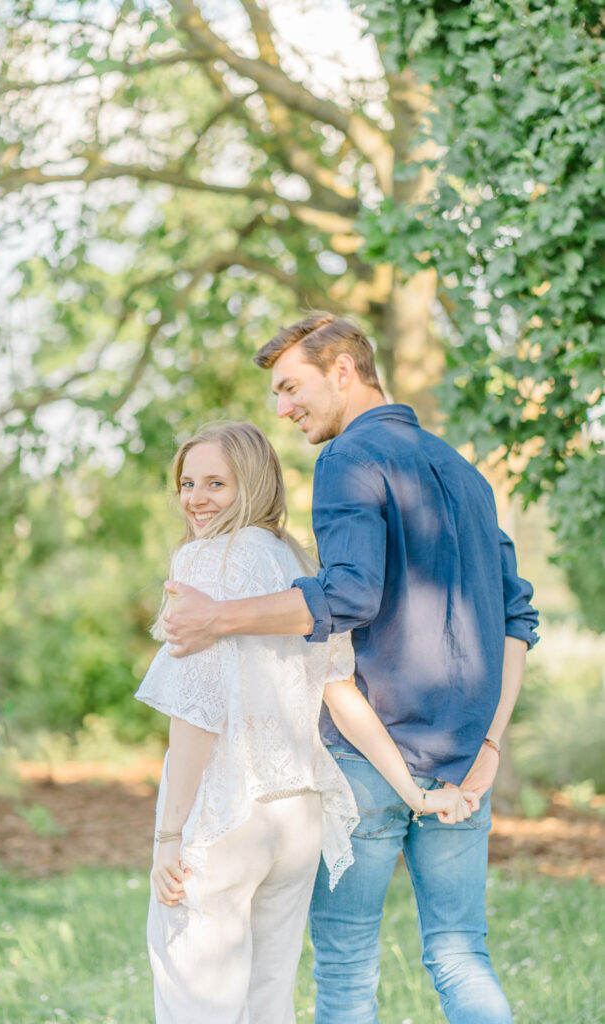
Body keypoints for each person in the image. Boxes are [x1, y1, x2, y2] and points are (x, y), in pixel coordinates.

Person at [163, 315, 540, 1024]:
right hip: (465, 766)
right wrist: (489, 743)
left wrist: (219, 617)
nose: (283, 408)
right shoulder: (463, 472)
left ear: (342, 370)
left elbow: (348, 595)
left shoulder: (346, 459)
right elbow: (516, 617)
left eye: (290, 387)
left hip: (365, 760)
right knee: (461, 953)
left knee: (344, 967)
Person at [137, 420, 475, 1024]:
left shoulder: (202, 562)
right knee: (269, 1000)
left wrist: (168, 838)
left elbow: (196, 711)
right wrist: (415, 794)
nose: (196, 499)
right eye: (187, 483)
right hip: (296, 821)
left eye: (216, 483)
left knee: (195, 1000)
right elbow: (341, 694)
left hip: (225, 815)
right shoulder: (301, 568)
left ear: (253, 484)